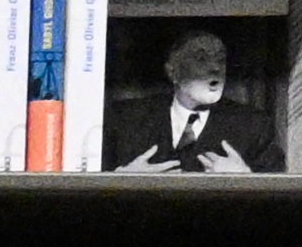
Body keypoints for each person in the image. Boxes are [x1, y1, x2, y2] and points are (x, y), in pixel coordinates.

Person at [111, 27, 273, 173]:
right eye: (201, 59)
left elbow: (277, 195)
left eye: (221, 60)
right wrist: (122, 179)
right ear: (173, 72)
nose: (215, 68)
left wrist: (245, 177)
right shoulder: (127, 118)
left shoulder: (254, 125)